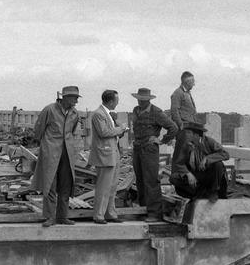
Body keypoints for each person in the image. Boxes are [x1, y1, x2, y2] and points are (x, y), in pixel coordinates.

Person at [32, 86, 84, 227]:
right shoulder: (49, 110)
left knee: (66, 185)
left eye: (77, 98)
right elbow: (38, 130)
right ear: (65, 97)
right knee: (50, 185)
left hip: (67, 153)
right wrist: (45, 146)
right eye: (74, 98)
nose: (76, 101)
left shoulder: (74, 113)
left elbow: (72, 131)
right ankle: (49, 217)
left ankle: (63, 216)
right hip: (51, 152)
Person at [129, 87, 178, 222]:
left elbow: (173, 128)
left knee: (151, 180)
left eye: (143, 100)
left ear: (148, 100)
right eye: (139, 99)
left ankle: (154, 213)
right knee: (140, 179)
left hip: (150, 149)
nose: (140, 102)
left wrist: (161, 140)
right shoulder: (136, 110)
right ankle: (144, 209)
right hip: (138, 147)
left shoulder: (156, 112)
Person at [88, 89, 129, 224]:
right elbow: (104, 132)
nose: (117, 103)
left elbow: (110, 133)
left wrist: (119, 131)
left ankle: (110, 213)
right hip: (105, 154)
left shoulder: (108, 115)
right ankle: (99, 215)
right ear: (111, 101)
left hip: (112, 153)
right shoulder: (98, 114)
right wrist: (121, 129)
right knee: (103, 186)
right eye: (116, 100)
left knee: (112, 186)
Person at [171, 115, 229, 202]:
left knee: (218, 164)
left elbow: (225, 154)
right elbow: (179, 163)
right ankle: (199, 193)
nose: (187, 135)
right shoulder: (186, 145)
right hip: (196, 174)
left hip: (210, 175)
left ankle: (213, 191)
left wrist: (208, 158)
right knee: (174, 178)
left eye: (189, 133)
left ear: (196, 135)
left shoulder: (209, 142)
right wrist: (188, 174)